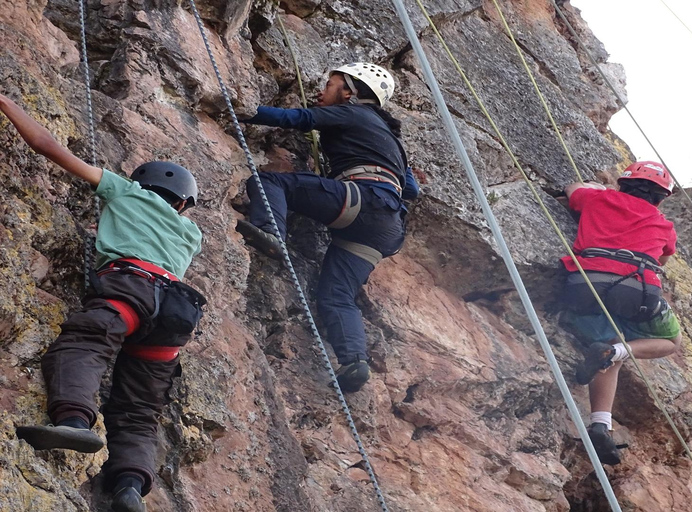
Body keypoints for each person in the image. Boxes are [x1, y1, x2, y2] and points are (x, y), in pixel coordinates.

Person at [0, 93, 203, 512]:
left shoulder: (128, 193)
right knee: (140, 408)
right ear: (183, 204)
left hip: (133, 289)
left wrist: (5, 101)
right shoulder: (190, 233)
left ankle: (74, 423)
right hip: (176, 313)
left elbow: (46, 145)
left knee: (85, 343)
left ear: (144, 185)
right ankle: (129, 487)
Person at [236, 62, 419, 393]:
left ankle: (271, 233)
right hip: (385, 227)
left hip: (362, 202)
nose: (322, 91)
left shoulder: (354, 113)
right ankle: (354, 362)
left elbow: (302, 119)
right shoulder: (392, 140)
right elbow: (412, 190)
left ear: (349, 93)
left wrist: (245, 110)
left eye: (330, 84)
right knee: (336, 296)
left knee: (269, 181)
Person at [559, 161, 682, 465]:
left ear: (622, 183)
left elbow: (572, 189)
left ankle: (602, 424)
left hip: (586, 285)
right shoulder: (662, 223)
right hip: (637, 292)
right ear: (662, 198)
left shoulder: (598, 199)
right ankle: (618, 354)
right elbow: (665, 257)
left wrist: (599, 189)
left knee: (608, 345)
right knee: (670, 339)